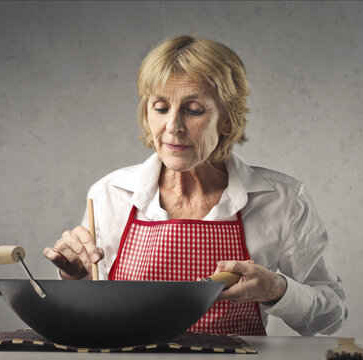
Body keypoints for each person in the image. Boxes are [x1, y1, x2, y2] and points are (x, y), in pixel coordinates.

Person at [43, 35, 347, 336]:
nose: (173, 126)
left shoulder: (281, 199)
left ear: (227, 120)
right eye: (160, 108)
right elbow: (92, 310)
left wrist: (277, 290)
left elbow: (331, 316)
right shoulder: (109, 193)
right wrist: (76, 277)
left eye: (194, 110)